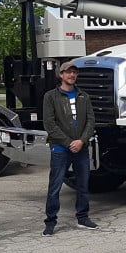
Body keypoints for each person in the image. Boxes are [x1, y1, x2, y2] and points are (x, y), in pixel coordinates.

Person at [42, 61, 98, 235]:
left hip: (80, 148)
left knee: (83, 184)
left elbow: (91, 121)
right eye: (68, 72)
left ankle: (83, 217)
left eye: (74, 73)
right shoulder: (51, 96)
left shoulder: (84, 96)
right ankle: (50, 221)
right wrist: (68, 142)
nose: (71, 75)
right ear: (61, 75)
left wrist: (81, 140)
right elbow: (50, 124)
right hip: (60, 148)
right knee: (55, 186)